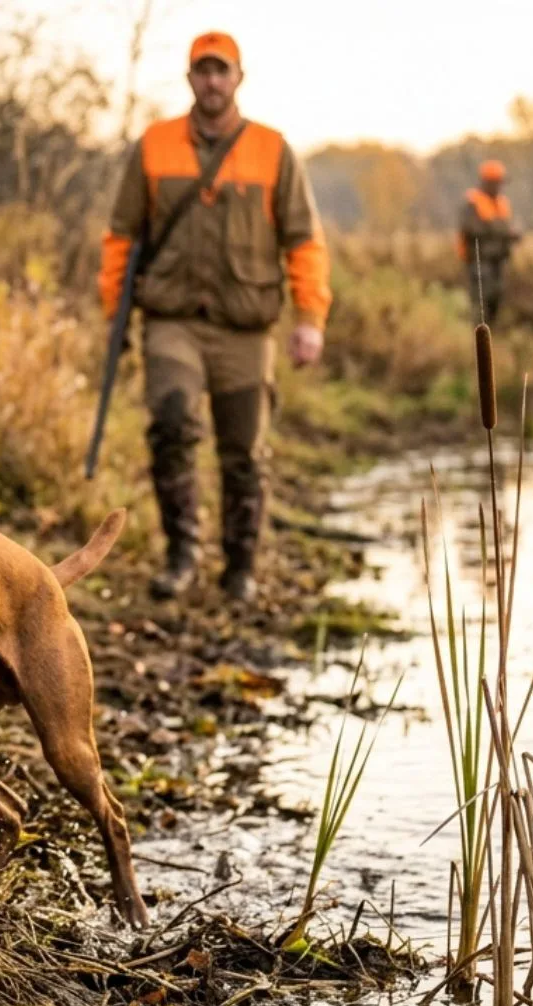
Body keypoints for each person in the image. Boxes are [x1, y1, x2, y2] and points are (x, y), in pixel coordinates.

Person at [98, 31, 331, 603]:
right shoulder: (153, 145)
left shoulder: (273, 150)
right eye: (202, 70)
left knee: (243, 449)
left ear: (239, 78)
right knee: (172, 425)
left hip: (246, 326)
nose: (212, 81)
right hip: (172, 319)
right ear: (189, 79)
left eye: (221, 70)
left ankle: (239, 568)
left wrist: (309, 318)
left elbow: (304, 241)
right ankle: (181, 556)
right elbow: (121, 235)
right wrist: (116, 315)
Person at [458, 160, 519, 324]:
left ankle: (492, 334)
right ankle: (475, 333)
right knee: (480, 299)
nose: (500, 186)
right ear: (487, 182)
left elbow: (506, 227)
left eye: (501, 183)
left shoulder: (502, 202)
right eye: (497, 182)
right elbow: (470, 229)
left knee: (496, 297)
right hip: (479, 260)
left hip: (498, 260)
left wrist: (512, 235)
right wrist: (501, 231)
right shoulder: (473, 201)